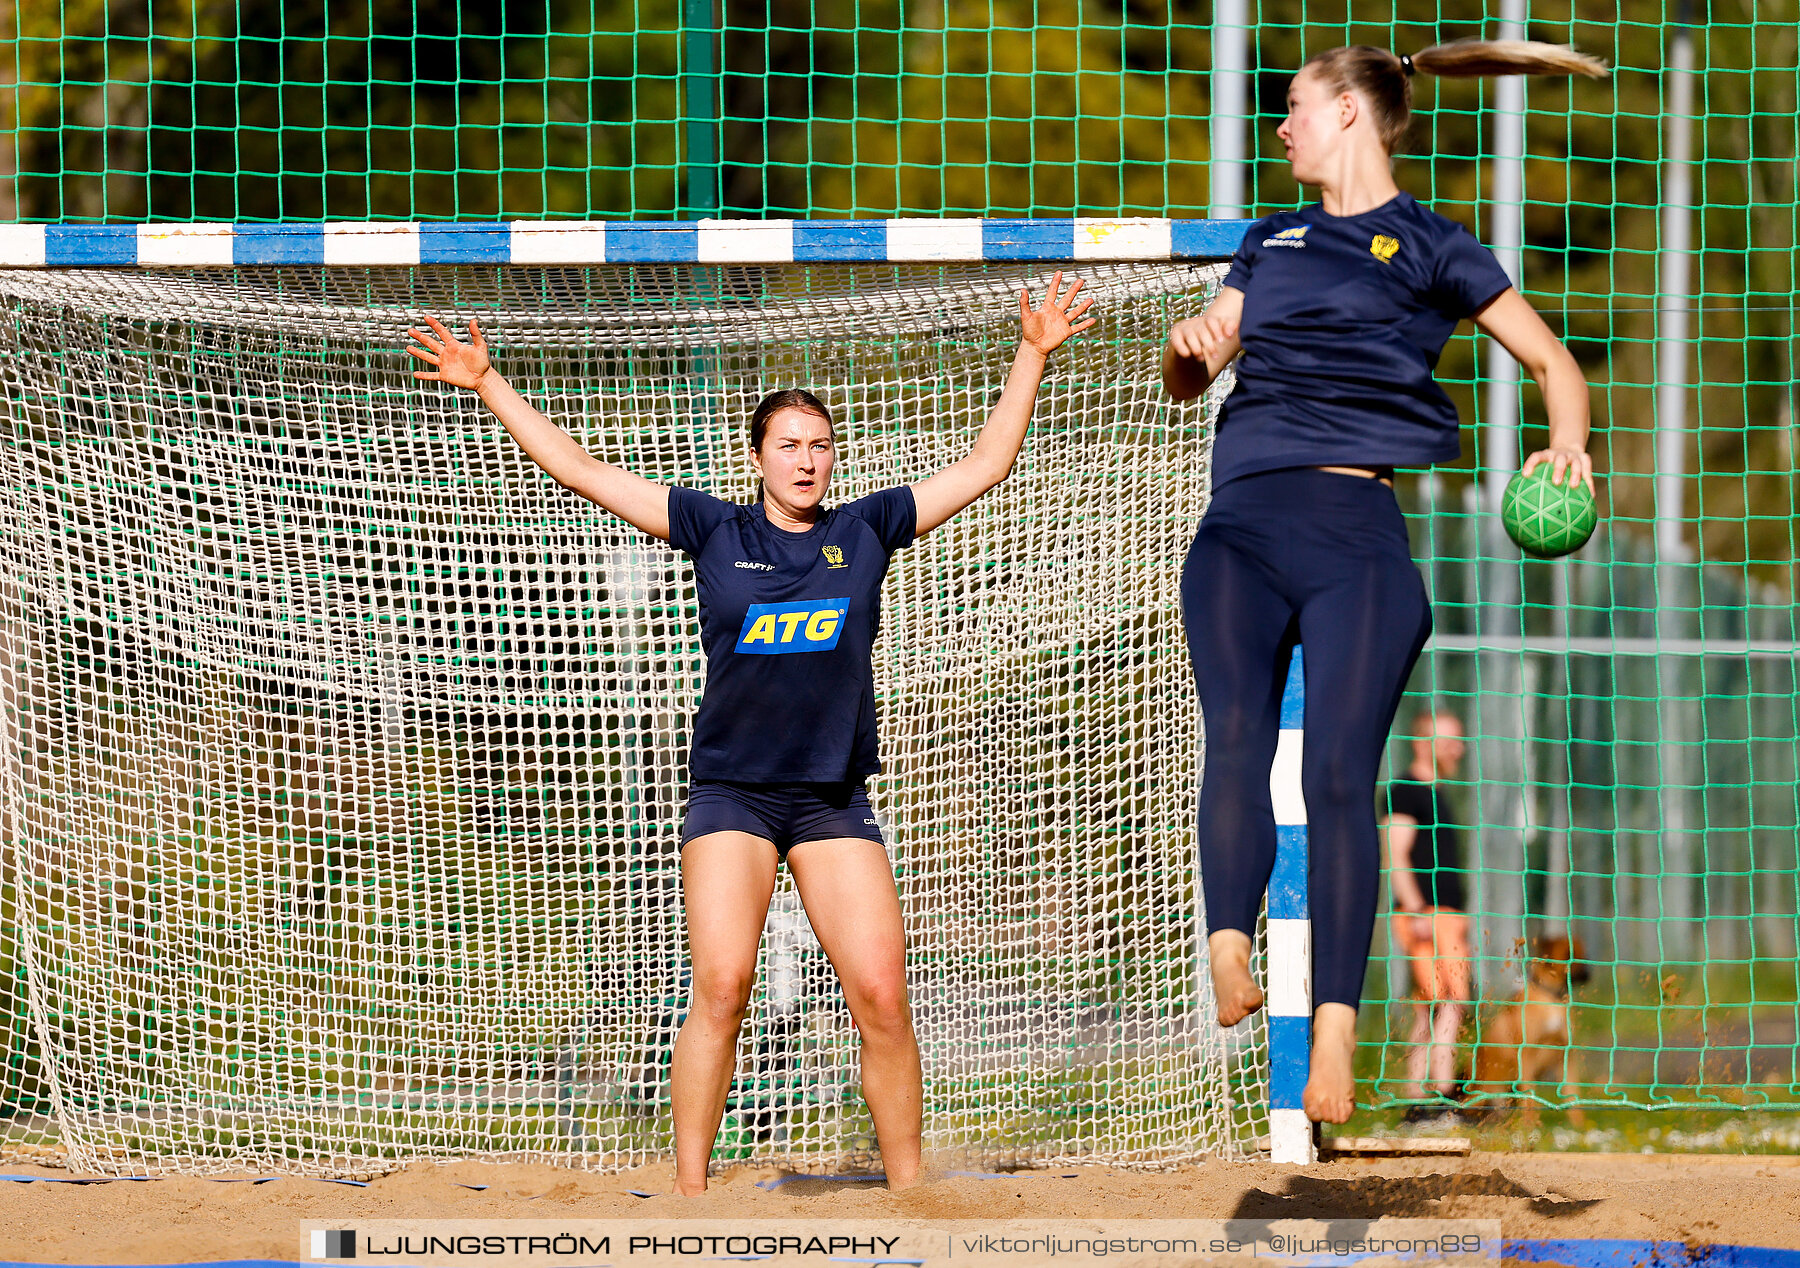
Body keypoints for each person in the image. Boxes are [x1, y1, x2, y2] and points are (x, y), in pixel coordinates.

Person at [404, 274, 1095, 1193]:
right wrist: (490, 382)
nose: (805, 461)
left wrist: (1033, 351)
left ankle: (912, 1196)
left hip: (830, 799)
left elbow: (987, 465)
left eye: (818, 446)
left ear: (833, 458)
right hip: (732, 793)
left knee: (883, 998)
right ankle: (688, 1198)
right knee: (723, 987)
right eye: (787, 445)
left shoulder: (869, 526)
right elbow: (579, 467)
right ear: (759, 456)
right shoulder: (712, 528)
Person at [1162, 40, 1604, 1125]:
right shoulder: (1270, 239)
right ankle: (1229, 945)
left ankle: (1339, 1033)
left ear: (1352, 112)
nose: (1281, 126)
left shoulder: (1434, 246)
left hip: (1355, 534)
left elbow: (1554, 364)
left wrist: (1569, 444)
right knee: (1236, 740)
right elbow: (1188, 380)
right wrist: (1194, 342)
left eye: (1296, 108)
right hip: (1240, 527)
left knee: (1341, 782)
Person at [1381, 708, 1472, 1110]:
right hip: (1427, 914)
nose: (1460, 749)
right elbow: (1395, 852)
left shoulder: (1436, 792)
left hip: (1444, 916)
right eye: (1450, 739)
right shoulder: (1406, 790)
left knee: (1432, 1005)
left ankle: (1422, 1096)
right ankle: (1437, 1095)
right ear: (1422, 742)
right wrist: (1417, 910)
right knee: (1450, 1002)